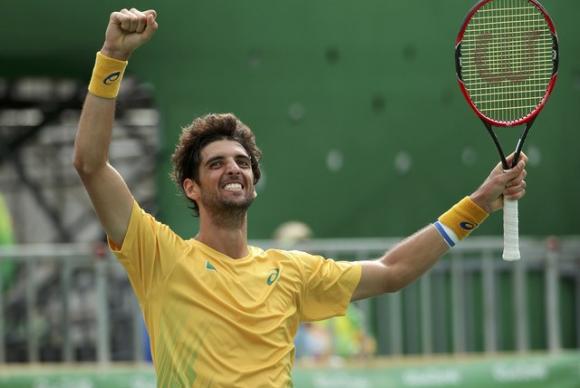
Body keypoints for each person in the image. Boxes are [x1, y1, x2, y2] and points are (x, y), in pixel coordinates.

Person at [73, 8, 528, 387]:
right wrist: (112, 57)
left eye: (242, 161)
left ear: (252, 179)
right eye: (216, 163)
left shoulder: (290, 272)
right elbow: (91, 165)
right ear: (190, 188)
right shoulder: (160, 256)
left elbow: (393, 272)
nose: (233, 167)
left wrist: (480, 203)